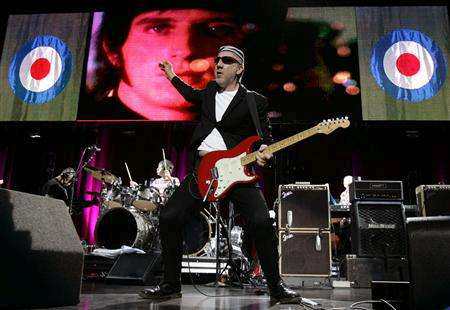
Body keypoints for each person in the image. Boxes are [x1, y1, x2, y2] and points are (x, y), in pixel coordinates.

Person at [138, 45, 300, 303]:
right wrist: (171, 75)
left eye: (227, 60)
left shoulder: (254, 100)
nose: (219, 64)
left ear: (239, 69)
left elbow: (264, 139)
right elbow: (189, 94)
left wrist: (265, 153)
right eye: (217, 60)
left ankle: (277, 288)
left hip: (236, 173)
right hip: (203, 172)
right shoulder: (210, 92)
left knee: (260, 222)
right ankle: (170, 284)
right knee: (169, 217)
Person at [81, 4, 255, 121]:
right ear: (113, 50)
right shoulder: (85, 118)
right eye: (158, 28)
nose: (186, 49)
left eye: (216, 29)